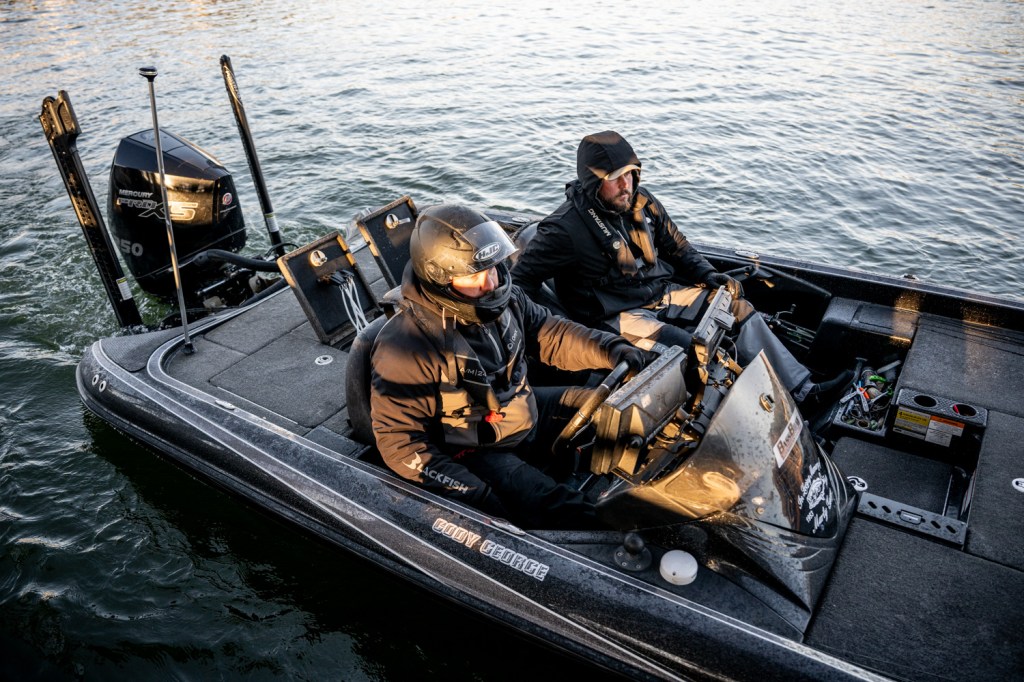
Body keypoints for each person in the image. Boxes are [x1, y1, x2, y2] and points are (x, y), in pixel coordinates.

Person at [511, 130, 849, 402]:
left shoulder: (643, 202)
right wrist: (566, 325)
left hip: (661, 293)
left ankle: (803, 391)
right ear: (593, 181)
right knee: (688, 349)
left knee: (736, 308)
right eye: (615, 178)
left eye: (630, 174)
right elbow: (520, 283)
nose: (626, 185)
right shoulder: (563, 229)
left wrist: (708, 275)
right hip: (615, 316)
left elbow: (678, 247)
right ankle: (753, 408)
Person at [369, 203, 647, 528]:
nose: (491, 282)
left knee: (618, 413)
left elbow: (551, 334)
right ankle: (620, 533)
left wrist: (612, 349)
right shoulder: (405, 347)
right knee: (562, 506)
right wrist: (472, 493)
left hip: (522, 409)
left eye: (492, 268)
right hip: (474, 446)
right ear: (440, 278)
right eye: (475, 275)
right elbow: (400, 442)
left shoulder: (507, 297)